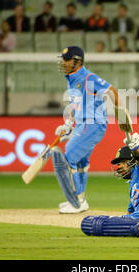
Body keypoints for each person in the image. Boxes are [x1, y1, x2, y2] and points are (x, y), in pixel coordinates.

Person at [54, 46, 132, 213]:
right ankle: (80, 200)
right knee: (81, 161)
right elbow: (77, 106)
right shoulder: (72, 80)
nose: (63, 63)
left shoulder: (88, 77)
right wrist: (69, 124)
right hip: (84, 124)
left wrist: (120, 114)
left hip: (93, 123)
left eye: (66, 59)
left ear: (77, 61)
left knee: (68, 157)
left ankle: (75, 201)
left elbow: (113, 91)